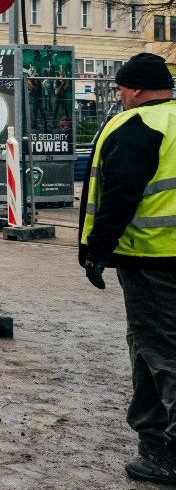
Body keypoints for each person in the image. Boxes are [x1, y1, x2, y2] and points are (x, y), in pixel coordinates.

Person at [79, 52, 176, 484]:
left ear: (135, 89)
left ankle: (167, 454)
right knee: (152, 347)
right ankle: (154, 440)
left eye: (120, 89)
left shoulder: (136, 125)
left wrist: (97, 251)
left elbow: (120, 194)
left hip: (150, 258)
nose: (119, 97)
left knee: (159, 351)